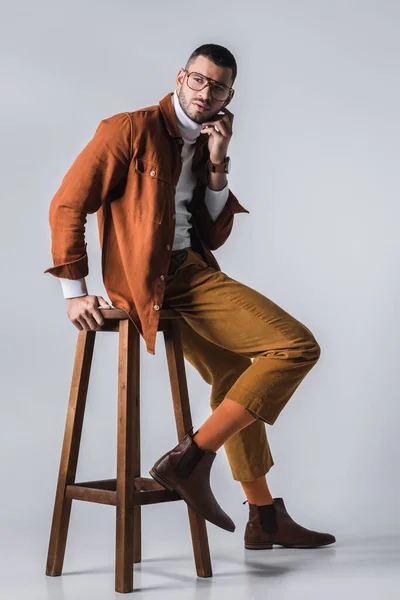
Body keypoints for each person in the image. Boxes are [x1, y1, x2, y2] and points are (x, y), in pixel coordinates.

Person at [44, 43, 336, 549]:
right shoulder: (128, 130)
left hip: (189, 273)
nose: (205, 93)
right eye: (198, 80)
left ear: (230, 94)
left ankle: (263, 518)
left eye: (217, 86)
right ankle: (189, 460)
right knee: (297, 346)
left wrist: (219, 161)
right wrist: (75, 292)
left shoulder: (204, 141)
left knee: (232, 375)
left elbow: (213, 232)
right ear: (180, 78)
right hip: (159, 281)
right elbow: (68, 204)